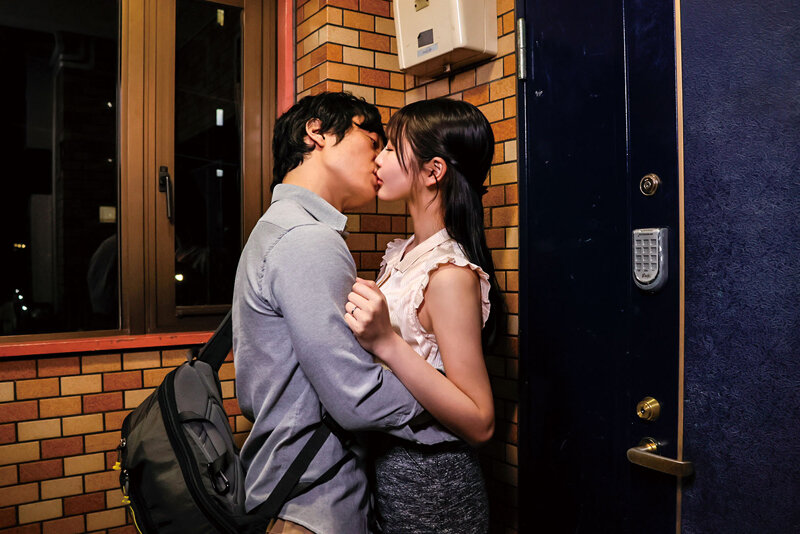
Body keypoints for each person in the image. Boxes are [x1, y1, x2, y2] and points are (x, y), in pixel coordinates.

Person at [231, 92, 453, 534]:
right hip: (315, 500)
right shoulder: (306, 238)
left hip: (290, 486)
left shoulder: (278, 225)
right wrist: (447, 400)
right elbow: (357, 398)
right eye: (373, 142)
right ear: (317, 132)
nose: (379, 160)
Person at [344, 98, 503, 534]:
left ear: (433, 172)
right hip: (390, 467)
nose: (378, 158)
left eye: (391, 148)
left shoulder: (449, 274)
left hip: (433, 486)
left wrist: (386, 342)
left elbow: (480, 421)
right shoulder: (403, 253)